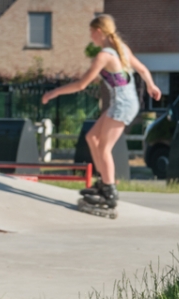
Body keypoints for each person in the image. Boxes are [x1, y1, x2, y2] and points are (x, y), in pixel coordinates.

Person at [42, 14, 161, 211]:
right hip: (122, 103)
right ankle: (103, 183)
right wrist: (151, 85)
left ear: (98, 32)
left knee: (104, 148)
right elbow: (142, 69)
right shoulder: (121, 49)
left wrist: (54, 92)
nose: (91, 37)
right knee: (92, 138)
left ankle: (110, 192)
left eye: (91, 33)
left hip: (122, 105)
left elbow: (81, 85)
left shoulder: (104, 56)